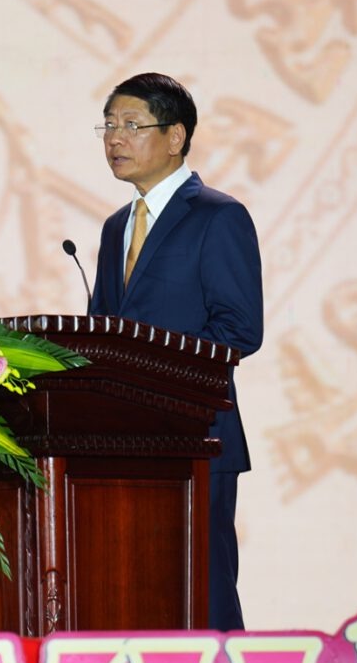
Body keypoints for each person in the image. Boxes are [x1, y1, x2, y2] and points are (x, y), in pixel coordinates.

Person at [88, 72, 263, 631]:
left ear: (175, 136)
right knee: (135, 595)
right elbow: (102, 331)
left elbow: (239, 329)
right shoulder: (116, 228)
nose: (115, 138)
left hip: (196, 437)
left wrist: (154, 371)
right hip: (123, 443)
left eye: (131, 125)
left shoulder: (218, 216)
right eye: (108, 126)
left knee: (203, 593)